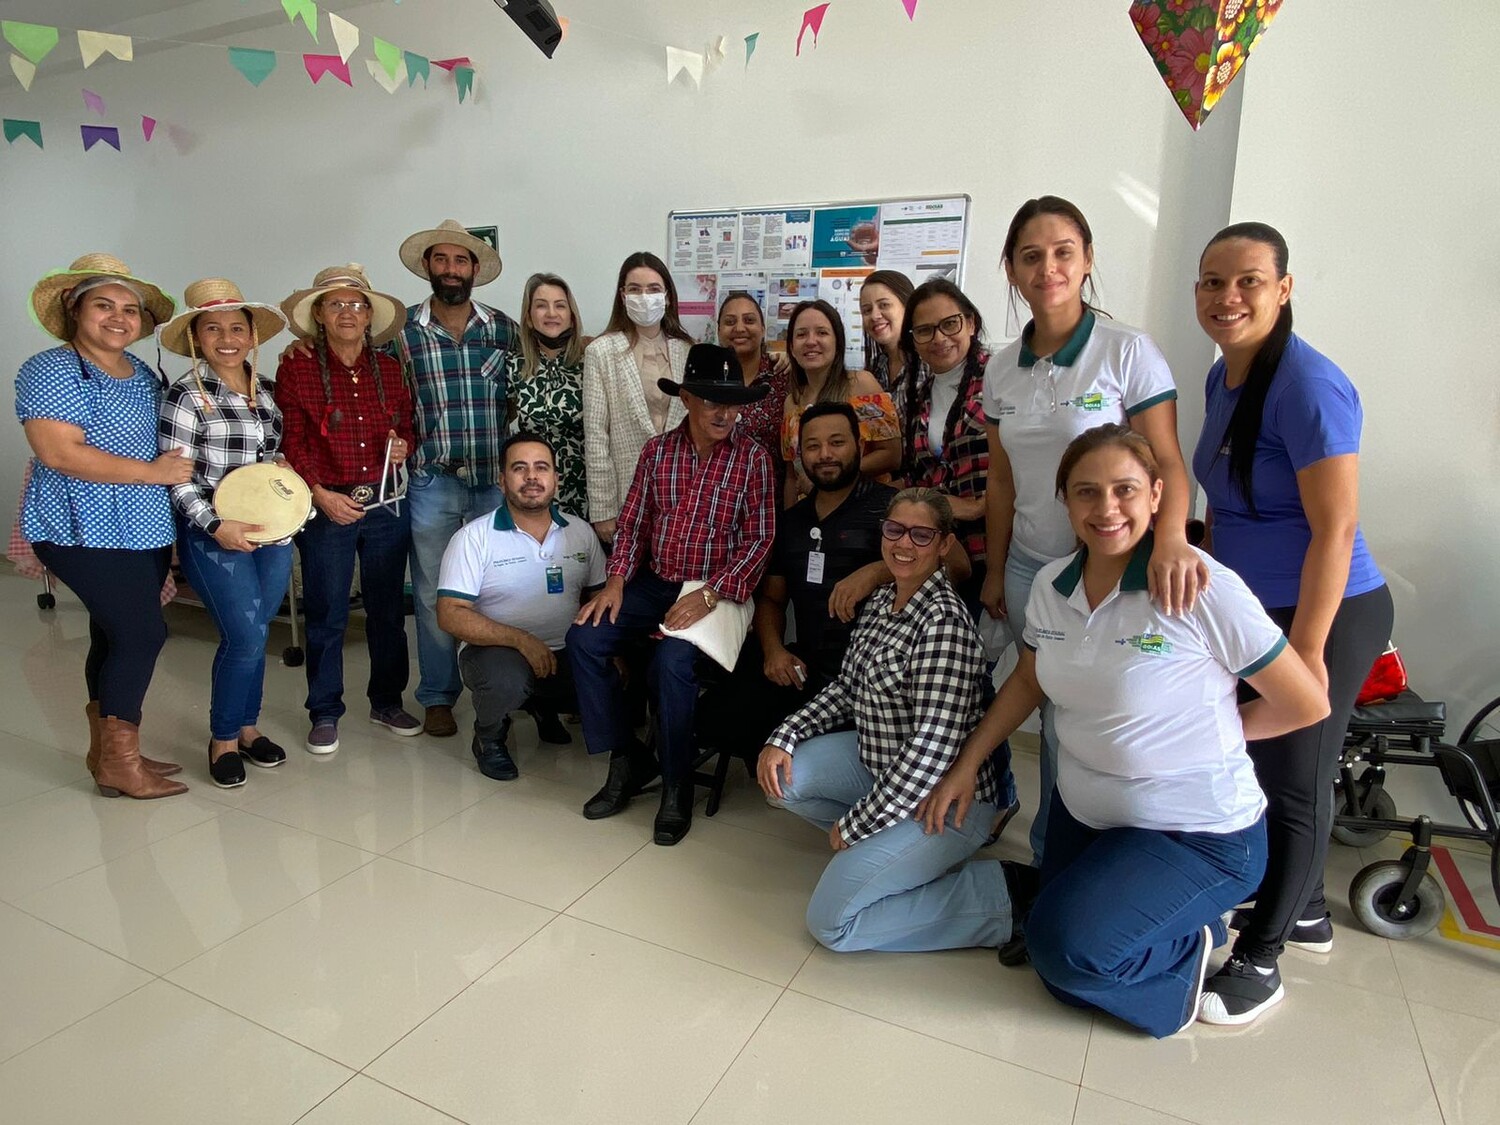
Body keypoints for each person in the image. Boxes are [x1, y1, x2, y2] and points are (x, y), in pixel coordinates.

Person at [920, 425, 1328, 1038]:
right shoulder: (1054, 589)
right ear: (1065, 501)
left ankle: (1185, 958)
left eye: (1124, 490)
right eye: (1086, 492)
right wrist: (967, 763)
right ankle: (1180, 919)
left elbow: (1306, 702)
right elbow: (1029, 681)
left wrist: (1214, 732)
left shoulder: (1200, 587)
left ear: (1157, 496)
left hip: (1194, 833)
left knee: (1068, 952)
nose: (1105, 509)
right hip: (1087, 818)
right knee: (1054, 961)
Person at [1191, 223, 1393, 1025]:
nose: (1226, 297)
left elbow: (1335, 530)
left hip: (1328, 611)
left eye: (1246, 281)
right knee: (1264, 772)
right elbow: (1222, 495)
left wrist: (1306, 651)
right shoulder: (1223, 379)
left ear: (1284, 287)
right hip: (1255, 609)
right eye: (1211, 282)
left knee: (1295, 785)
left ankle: (1263, 960)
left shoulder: (1309, 385)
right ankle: (1300, 910)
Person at [980, 195, 1205, 864]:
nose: (1047, 266)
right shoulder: (999, 366)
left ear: (1086, 261)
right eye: (1030, 255)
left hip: (1109, 571)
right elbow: (1000, 480)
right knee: (1046, 711)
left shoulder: (1125, 350)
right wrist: (996, 568)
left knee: (1082, 719)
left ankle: (1083, 857)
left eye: (1062, 252)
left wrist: (1170, 540)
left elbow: (1167, 461)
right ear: (1013, 271)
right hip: (1029, 566)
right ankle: (1054, 855)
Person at [756, 488, 1009, 953]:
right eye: (894, 530)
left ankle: (997, 896)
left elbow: (931, 749)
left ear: (944, 544)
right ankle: (895, 848)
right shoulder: (881, 602)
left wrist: (857, 825)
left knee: (830, 924)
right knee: (783, 778)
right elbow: (846, 690)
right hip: (883, 769)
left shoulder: (944, 622)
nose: (903, 544)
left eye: (921, 534)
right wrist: (783, 736)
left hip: (944, 799)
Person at [569, 344, 774, 846]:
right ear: (685, 398)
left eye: (733, 402)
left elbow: (760, 540)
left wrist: (710, 595)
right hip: (655, 581)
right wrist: (615, 579)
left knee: (671, 664)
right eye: (711, 401)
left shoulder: (753, 458)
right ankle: (629, 760)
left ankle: (676, 785)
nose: (725, 413)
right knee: (584, 638)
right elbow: (634, 523)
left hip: (717, 590)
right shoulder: (657, 451)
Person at [16, 253, 189, 799]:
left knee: (111, 634)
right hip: (77, 526)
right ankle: (121, 759)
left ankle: (111, 755)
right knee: (143, 633)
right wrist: (153, 473)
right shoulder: (50, 368)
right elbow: (58, 452)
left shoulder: (140, 373)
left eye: (130, 309)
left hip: (143, 526)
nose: (119, 318)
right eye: (104, 305)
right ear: (75, 308)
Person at [275, 265, 418, 755]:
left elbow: (409, 426)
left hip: (385, 505)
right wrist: (319, 493)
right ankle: (324, 711)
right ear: (318, 313)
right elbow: (291, 438)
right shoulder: (296, 367)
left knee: (387, 612)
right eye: (335, 304)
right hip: (326, 504)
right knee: (327, 612)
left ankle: (386, 701)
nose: (347, 313)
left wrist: (402, 447)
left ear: (369, 314)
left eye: (356, 304)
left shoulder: (391, 368)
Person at [157, 278, 294, 789]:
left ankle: (249, 727)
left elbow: (272, 462)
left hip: (272, 538)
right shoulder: (186, 396)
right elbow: (178, 476)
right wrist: (217, 525)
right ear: (196, 337)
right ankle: (222, 740)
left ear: (253, 335)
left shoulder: (268, 393)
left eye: (237, 327)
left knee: (258, 635)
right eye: (213, 328)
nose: (227, 337)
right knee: (245, 636)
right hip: (213, 536)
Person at [395, 219, 520, 739]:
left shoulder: (503, 329)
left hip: (494, 482)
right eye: (442, 260)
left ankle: (501, 692)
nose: (451, 269)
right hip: (433, 481)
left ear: (474, 270)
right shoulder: (401, 332)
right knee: (432, 594)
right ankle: (438, 696)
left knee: (500, 591)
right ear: (428, 267)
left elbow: (522, 395)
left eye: (461, 261)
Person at [436, 433, 606, 781]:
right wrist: (521, 640)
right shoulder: (474, 537)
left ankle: (545, 709)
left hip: (566, 650)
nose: (532, 477)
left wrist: (612, 651)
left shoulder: (580, 532)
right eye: (519, 468)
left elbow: (599, 596)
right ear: (502, 480)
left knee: (613, 674)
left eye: (541, 468)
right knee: (508, 680)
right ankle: (489, 737)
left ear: (556, 479)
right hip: (495, 653)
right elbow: (449, 612)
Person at [582, 252, 692, 545]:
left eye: (653, 289)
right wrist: (602, 510)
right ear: (622, 295)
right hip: (626, 495)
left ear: (667, 296)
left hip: (682, 495)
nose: (645, 297)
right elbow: (595, 436)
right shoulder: (601, 352)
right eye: (635, 289)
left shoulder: (687, 350)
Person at [899, 278, 992, 618]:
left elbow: (1027, 466)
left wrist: (979, 507)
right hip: (942, 557)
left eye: (950, 324)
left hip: (995, 551)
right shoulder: (920, 395)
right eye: (924, 331)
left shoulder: (1001, 379)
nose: (939, 338)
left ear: (970, 323)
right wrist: (948, 506)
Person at [781, 299, 900, 504]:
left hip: (862, 508)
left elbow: (891, 455)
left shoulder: (862, 385)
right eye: (801, 334)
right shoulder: (791, 402)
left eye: (822, 332)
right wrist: (791, 523)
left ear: (838, 343)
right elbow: (792, 476)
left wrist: (828, 478)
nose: (811, 341)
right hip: (810, 514)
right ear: (792, 347)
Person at [504, 273, 588, 520]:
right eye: (541, 305)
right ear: (529, 318)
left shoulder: (591, 361)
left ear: (571, 316)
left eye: (560, 305)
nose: (551, 313)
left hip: (583, 487)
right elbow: (508, 417)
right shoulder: (514, 365)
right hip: (531, 489)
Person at [715, 291, 788, 472]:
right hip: (715, 495)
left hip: (772, 493)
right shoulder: (707, 379)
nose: (739, 328)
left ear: (763, 329)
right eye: (730, 322)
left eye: (749, 320)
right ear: (718, 330)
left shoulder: (783, 375)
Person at [858, 270, 916, 405]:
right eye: (867, 310)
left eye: (884, 305)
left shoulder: (926, 361)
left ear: (907, 306)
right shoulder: (876, 367)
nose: (874, 316)